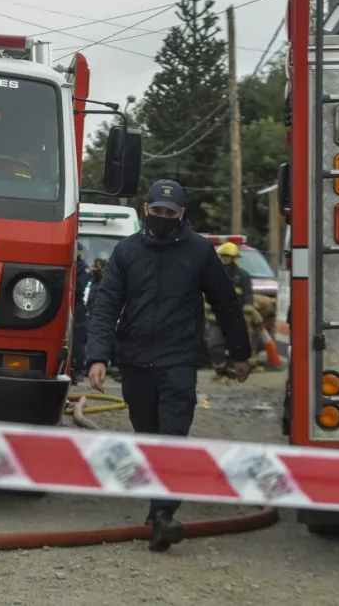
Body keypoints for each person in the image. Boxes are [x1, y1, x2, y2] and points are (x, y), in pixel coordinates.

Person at [85, 179, 252, 553]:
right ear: (146, 210)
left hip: (179, 359)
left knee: (173, 436)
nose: (162, 217)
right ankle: (157, 508)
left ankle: (163, 515)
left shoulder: (199, 252)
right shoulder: (126, 251)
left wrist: (240, 353)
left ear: (182, 214)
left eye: (170, 213)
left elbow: (226, 302)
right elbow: (106, 305)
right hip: (135, 360)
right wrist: (97, 356)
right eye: (157, 211)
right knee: (148, 436)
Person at [205, 241, 264, 380]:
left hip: (237, 319)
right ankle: (220, 370)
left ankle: (233, 373)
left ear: (234, 258)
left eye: (227, 256)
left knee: (238, 347)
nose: (224, 259)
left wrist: (247, 313)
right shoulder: (213, 274)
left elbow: (248, 295)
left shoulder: (243, 276)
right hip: (217, 319)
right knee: (214, 344)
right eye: (222, 256)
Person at [72, 241, 90, 380]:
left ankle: (78, 366)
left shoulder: (83, 267)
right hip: (64, 303)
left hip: (76, 305)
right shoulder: (68, 264)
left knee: (78, 336)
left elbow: (79, 287)